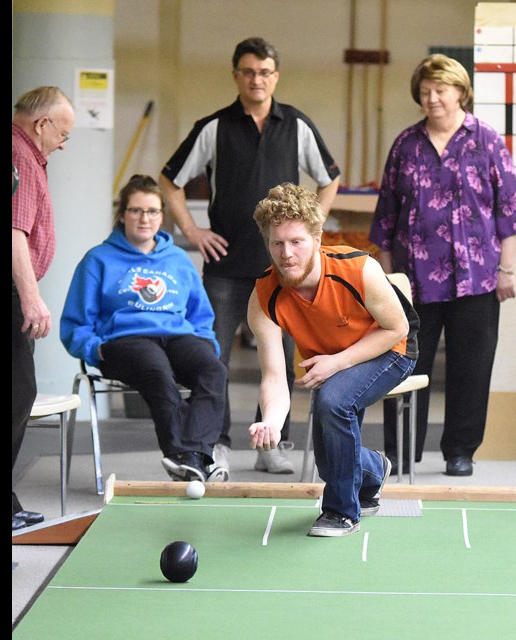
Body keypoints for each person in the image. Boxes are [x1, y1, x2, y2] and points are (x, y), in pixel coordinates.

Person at [160, 36, 341, 477]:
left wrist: (309, 234)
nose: (256, 79)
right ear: (236, 75)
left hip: (284, 272)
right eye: (248, 71)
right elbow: (169, 181)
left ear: (275, 76)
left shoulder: (297, 125)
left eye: (264, 72)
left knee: (280, 359)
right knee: (213, 359)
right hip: (224, 267)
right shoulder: (213, 127)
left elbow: (330, 178)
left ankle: (270, 446)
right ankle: (216, 445)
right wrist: (192, 230)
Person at [368, 54, 516, 477]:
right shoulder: (406, 144)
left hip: (477, 279)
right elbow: (386, 216)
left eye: (440, 90)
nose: (432, 99)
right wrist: (388, 279)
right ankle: (400, 452)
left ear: (461, 92)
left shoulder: (487, 141)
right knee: (404, 365)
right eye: (425, 92)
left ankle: (461, 450)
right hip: (413, 282)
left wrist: (507, 270)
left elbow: (510, 211)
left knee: (471, 367)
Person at [247, 183, 419, 536]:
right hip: (333, 360)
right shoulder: (264, 295)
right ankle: (373, 472)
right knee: (330, 462)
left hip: (391, 348)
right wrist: (273, 422)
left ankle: (342, 512)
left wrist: (337, 362)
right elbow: (274, 376)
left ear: (317, 238)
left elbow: (396, 328)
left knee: (332, 401)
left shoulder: (358, 269)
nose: (287, 254)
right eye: (277, 244)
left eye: (297, 242)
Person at [60, 175, 229, 486]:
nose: (144, 218)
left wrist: (207, 343)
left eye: (152, 211)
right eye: (136, 210)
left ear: (162, 216)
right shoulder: (98, 259)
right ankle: (186, 456)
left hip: (178, 336)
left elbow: (201, 315)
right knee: (156, 370)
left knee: (213, 370)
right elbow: (75, 323)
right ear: (122, 214)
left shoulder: (177, 259)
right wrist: (93, 349)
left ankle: (196, 457)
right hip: (124, 340)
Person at [12, 86, 75, 531]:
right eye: (63, 133)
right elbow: (14, 232)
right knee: (17, 395)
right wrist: (31, 296)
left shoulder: (28, 156)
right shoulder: (18, 156)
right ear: (41, 124)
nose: (64, 142)